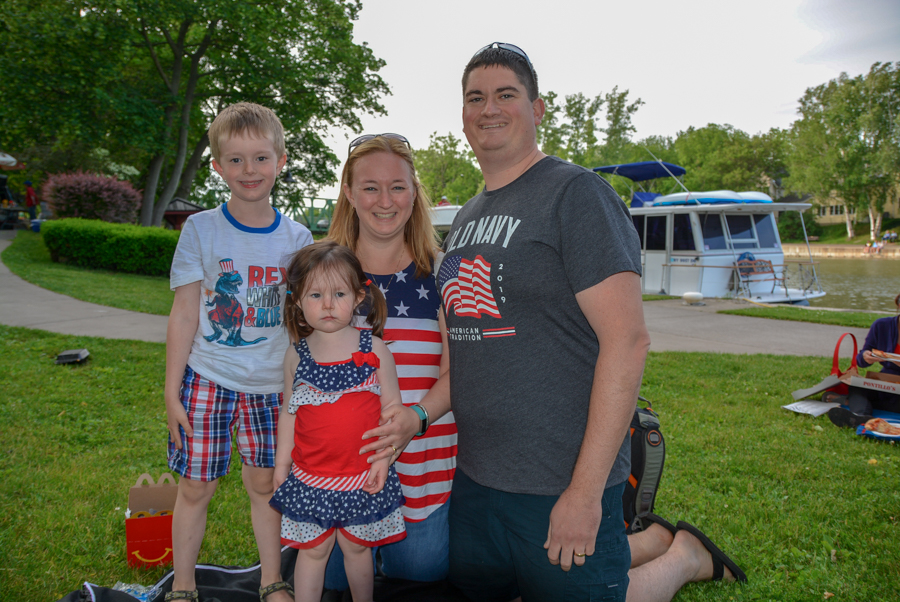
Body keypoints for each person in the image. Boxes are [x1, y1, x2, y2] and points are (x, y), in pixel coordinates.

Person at [410, 42, 744, 601]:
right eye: (475, 98)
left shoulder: (575, 194)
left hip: (558, 480)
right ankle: (655, 541)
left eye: (506, 95)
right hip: (476, 479)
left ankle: (685, 557)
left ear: (537, 109)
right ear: (463, 115)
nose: (489, 108)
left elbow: (627, 341)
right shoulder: (467, 215)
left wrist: (585, 494)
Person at [164, 102, 313, 602]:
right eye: (235, 159)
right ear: (217, 166)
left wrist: (300, 390)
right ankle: (184, 586)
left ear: (281, 161)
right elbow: (184, 313)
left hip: (271, 387)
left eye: (261, 158)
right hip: (207, 378)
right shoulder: (200, 229)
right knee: (195, 487)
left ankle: (272, 581)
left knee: (265, 486)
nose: (249, 170)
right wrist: (172, 391)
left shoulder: (297, 238)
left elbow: (301, 323)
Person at [324, 133, 457, 587]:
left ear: (414, 193)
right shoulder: (322, 273)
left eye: (398, 187)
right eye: (370, 187)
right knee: (334, 582)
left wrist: (415, 418)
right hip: (338, 469)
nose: (385, 201)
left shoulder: (444, 271)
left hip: (422, 463)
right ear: (349, 192)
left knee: (419, 573)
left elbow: (461, 371)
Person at [269, 240, 406, 602]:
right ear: (297, 301)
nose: (328, 304)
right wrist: (281, 464)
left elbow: (393, 411)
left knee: (357, 548)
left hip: (361, 474)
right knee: (313, 550)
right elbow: (289, 412)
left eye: (339, 294)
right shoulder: (296, 356)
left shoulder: (374, 349)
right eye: (315, 295)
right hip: (312, 476)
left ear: (359, 296)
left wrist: (383, 458)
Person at [826, 292, 900, 427]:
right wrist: (866, 356)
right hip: (885, 383)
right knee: (857, 386)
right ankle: (861, 417)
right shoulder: (881, 325)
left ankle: (850, 403)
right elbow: (860, 360)